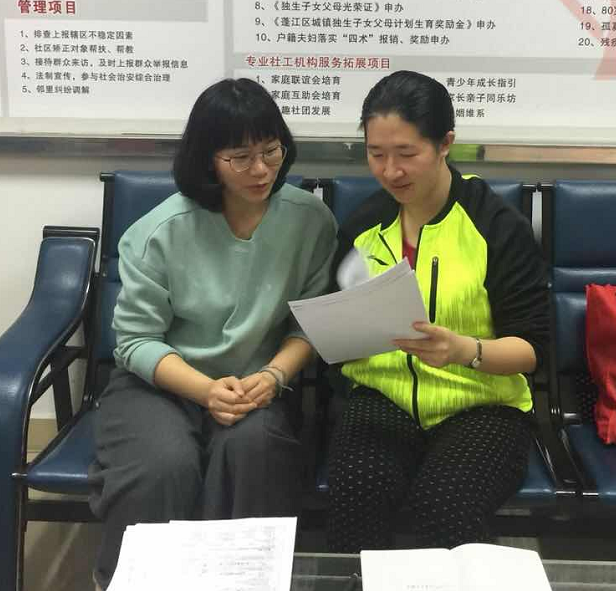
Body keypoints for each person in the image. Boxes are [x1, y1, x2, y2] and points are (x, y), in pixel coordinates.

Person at [88, 78, 337, 588]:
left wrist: (273, 376)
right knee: (162, 464)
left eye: (271, 151)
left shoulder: (310, 220)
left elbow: (310, 323)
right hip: (159, 385)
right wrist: (204, 391)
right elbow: (134, 341)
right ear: (208, 160)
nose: (261, 169)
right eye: (240, 158)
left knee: (255, 451)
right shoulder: (161, 231)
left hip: (256, 385)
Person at [326, 70, 550, 551]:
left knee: (445, 504)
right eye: (376, 154)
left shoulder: (495, 225)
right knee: (356, 492)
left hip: (481, 405)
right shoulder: (364, 225)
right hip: (381, 397)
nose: (391, 171)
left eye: (407, 154)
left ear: (445, 143)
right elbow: (335, 322)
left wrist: (464, 350)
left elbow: (533, 349)